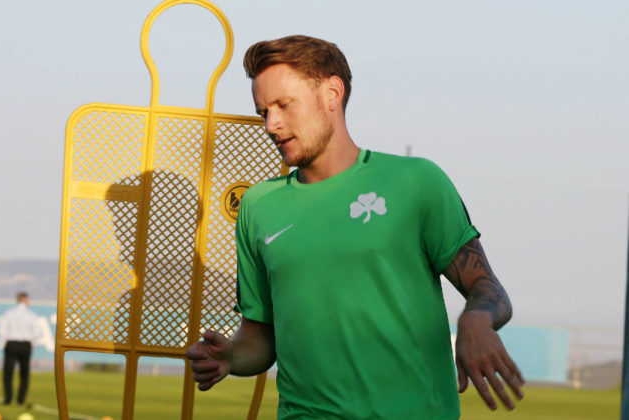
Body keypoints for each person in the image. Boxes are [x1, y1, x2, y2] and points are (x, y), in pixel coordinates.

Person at [186, 35, 525, 418]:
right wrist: (231, 356)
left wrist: (476, 319)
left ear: (332, 93)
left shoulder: (416, 182)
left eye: (284, 105)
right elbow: (260, 336)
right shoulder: (258, 206)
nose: (271, 124)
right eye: (263, 111)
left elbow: (488, 289)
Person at [0, 292, 41, 405]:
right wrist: (33, 343)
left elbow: (2, 330)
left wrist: (2, 343)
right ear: (25, 300)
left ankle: (8, 398)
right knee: (24, 373)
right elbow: (36, 332)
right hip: (25, 345)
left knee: (8, 373)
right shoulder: (31, 314)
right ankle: (21, 399)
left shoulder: (9, 313)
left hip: (11, 344)